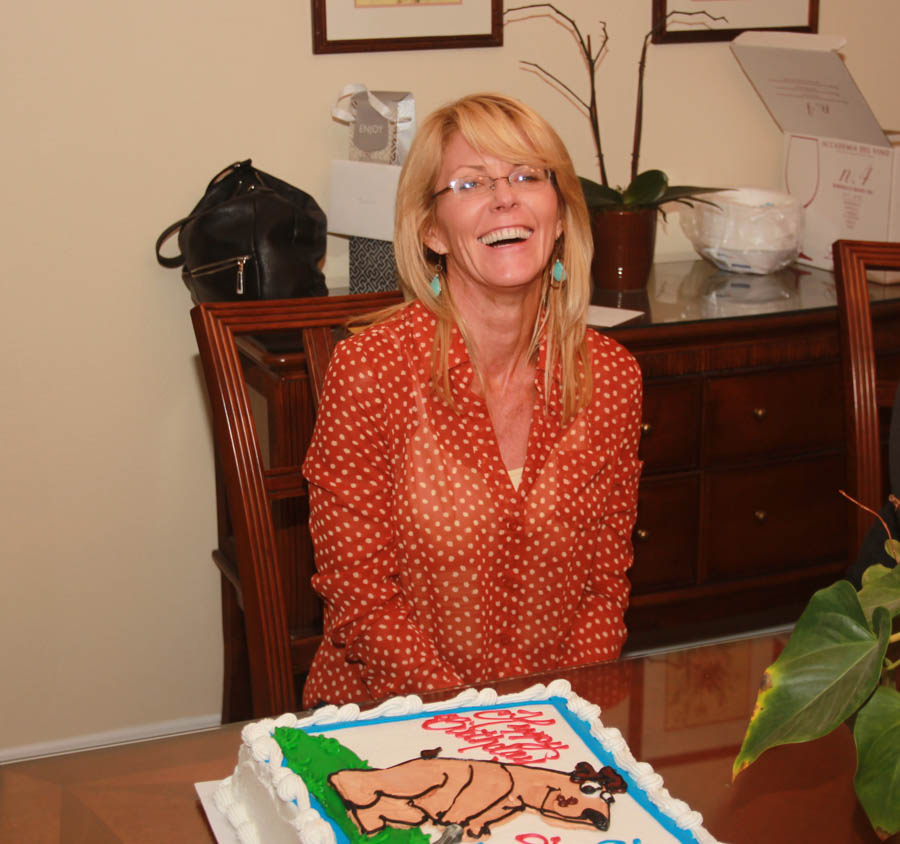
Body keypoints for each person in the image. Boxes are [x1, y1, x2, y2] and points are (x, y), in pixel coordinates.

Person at [302, 93, 643, 707]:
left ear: (560, 213)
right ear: (431, 231)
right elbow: (361, 596)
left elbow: (603, 587)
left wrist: (548, 714)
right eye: (469, 183)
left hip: (550, 720)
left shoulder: (611, 377)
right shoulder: (370, 371)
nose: (504, 197)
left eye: (525, 176)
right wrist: (478, 722)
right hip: (390, 722)